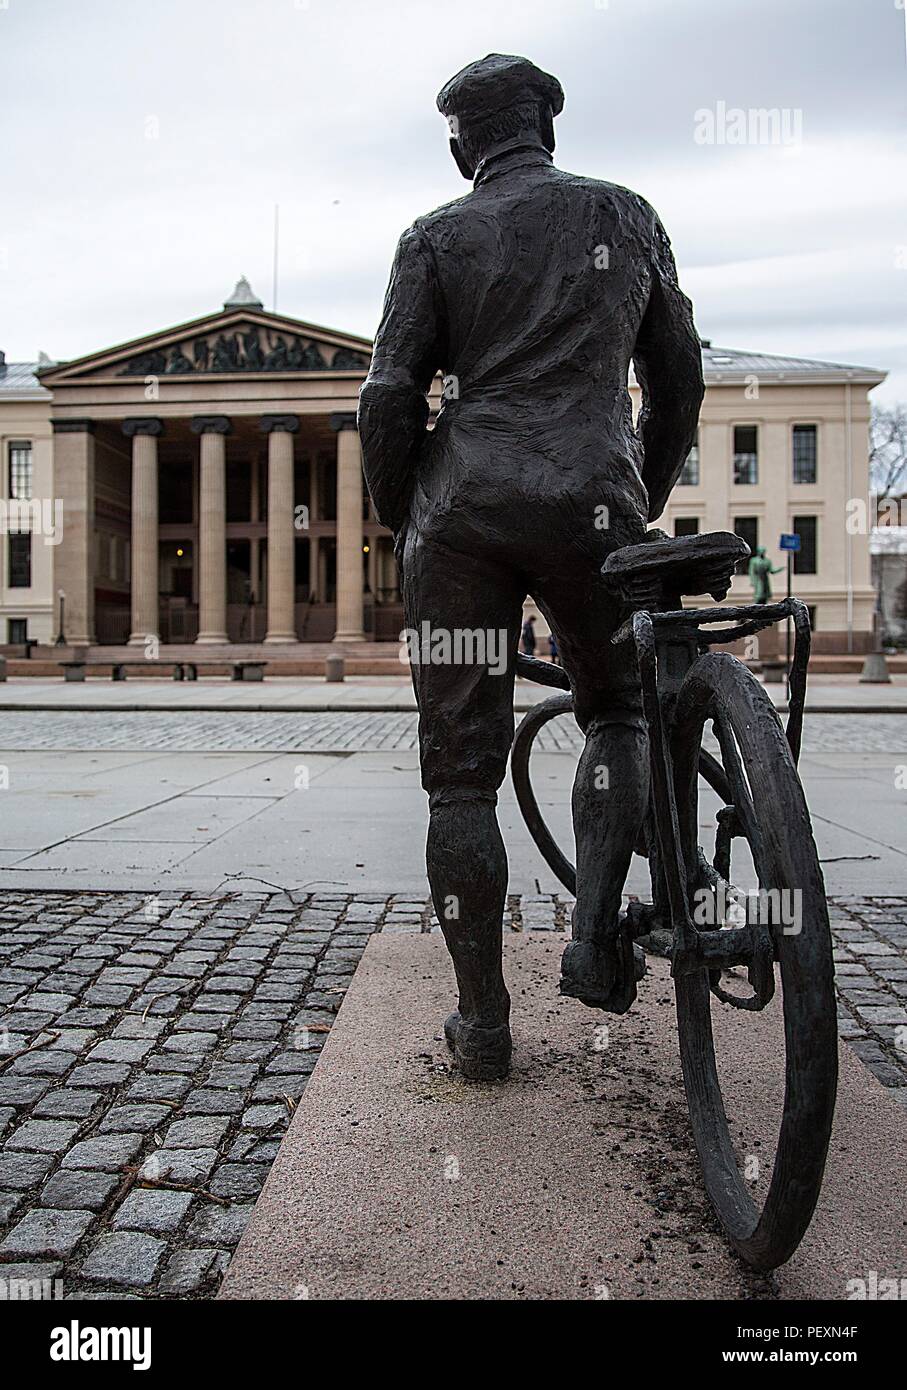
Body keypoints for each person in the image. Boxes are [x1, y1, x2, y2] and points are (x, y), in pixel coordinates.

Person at [358, 54, 704, 1080]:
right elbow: (676, 384)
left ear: (465, 142)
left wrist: (405, 517)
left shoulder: (434, 236)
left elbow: (387, 395)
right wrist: (639, 491)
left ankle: (483, 1026)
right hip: (593, 496)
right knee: (616, 711)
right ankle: (596, 934)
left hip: (463, 514)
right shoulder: (624, 214)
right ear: (545, 127)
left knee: (459, 779)